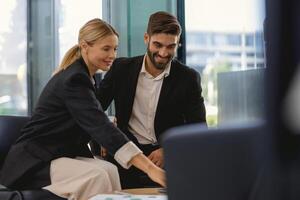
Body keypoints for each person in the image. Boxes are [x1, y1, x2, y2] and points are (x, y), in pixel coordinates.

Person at [0, 18, 165, 200]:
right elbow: (100, 126)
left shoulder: (85, 76)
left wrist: (106, 123)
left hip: (56, 155)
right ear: (85, 46)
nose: (112, 55)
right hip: (34, 163)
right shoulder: (74, 79)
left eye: (114, 49)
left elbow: (89, 117)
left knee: (109, 170)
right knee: (97, 176)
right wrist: (151, 169)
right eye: (106, 49)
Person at [96, 11, 206, 188]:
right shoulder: (121, 69)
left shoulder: (189, 78)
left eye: (171, 46)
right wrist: (105, 135)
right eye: (158, 45)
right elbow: (93, 108)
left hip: (169, 158)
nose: (164, 53)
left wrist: (168, 150)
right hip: (127, 154)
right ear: (146, 38)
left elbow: (199, 128)